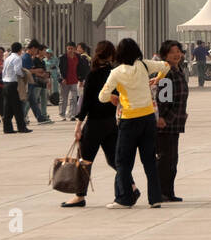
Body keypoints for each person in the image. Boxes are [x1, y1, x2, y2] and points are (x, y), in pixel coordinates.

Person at [98, 37, 168, 209]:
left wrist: (114, 97)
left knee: (123, 162)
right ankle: (155, 198)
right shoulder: (144, 65)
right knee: (149, 160)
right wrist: (157, 79)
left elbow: (102, 96)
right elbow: (165, 65)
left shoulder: (116, 73)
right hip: (148, 118)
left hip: (129, 120)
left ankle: (125, 198)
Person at [60, 41, 118, 207]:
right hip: (110, 122)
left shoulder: (93, 74)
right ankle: (131, 186)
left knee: (84, 160)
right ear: (111, 55)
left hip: (94, 124)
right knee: (114, 159)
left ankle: (79, 196)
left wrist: (78, 125)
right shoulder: (114, 73)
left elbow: (86, 103)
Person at [154, 40, 188, 202]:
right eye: (172, 52)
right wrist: (161, 117)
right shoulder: (166, 71)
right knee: (165, 159)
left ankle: (168, 192)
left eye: (178, 51)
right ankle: (160, 192)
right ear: (165, 55)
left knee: (172, 159)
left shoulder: (178, 70)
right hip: (165, 123)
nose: (176, 54)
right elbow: (163, 97)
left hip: (175, 121)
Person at [58, 43, 87, 121]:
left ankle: (72, 115)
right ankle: (62, 115)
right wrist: (62, 78)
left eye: (72, 48)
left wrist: (81, 80)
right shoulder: (63, 57)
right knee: (63, 98)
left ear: (75, 49)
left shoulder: (78, 57)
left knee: (73, 98)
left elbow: (82, 69)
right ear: (66, 49)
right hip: (65, 81)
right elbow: (59, 69)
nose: (70, 50)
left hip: (74, 81)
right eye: (68, 48)